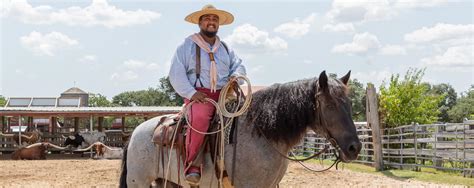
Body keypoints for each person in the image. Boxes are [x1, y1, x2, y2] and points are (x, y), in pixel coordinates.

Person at [168, 4, 246, 185]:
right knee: (201, 119)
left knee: (247, 116)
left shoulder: (225, 48)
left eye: (215, 19)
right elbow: (176, 73)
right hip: (199, 95)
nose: (212, 22)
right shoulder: (187, 46)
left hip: (224, 94)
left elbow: (239, 65)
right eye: (207, 19)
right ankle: (193, 165)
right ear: (200, 23)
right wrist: (191, 93)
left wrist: (235, 77)